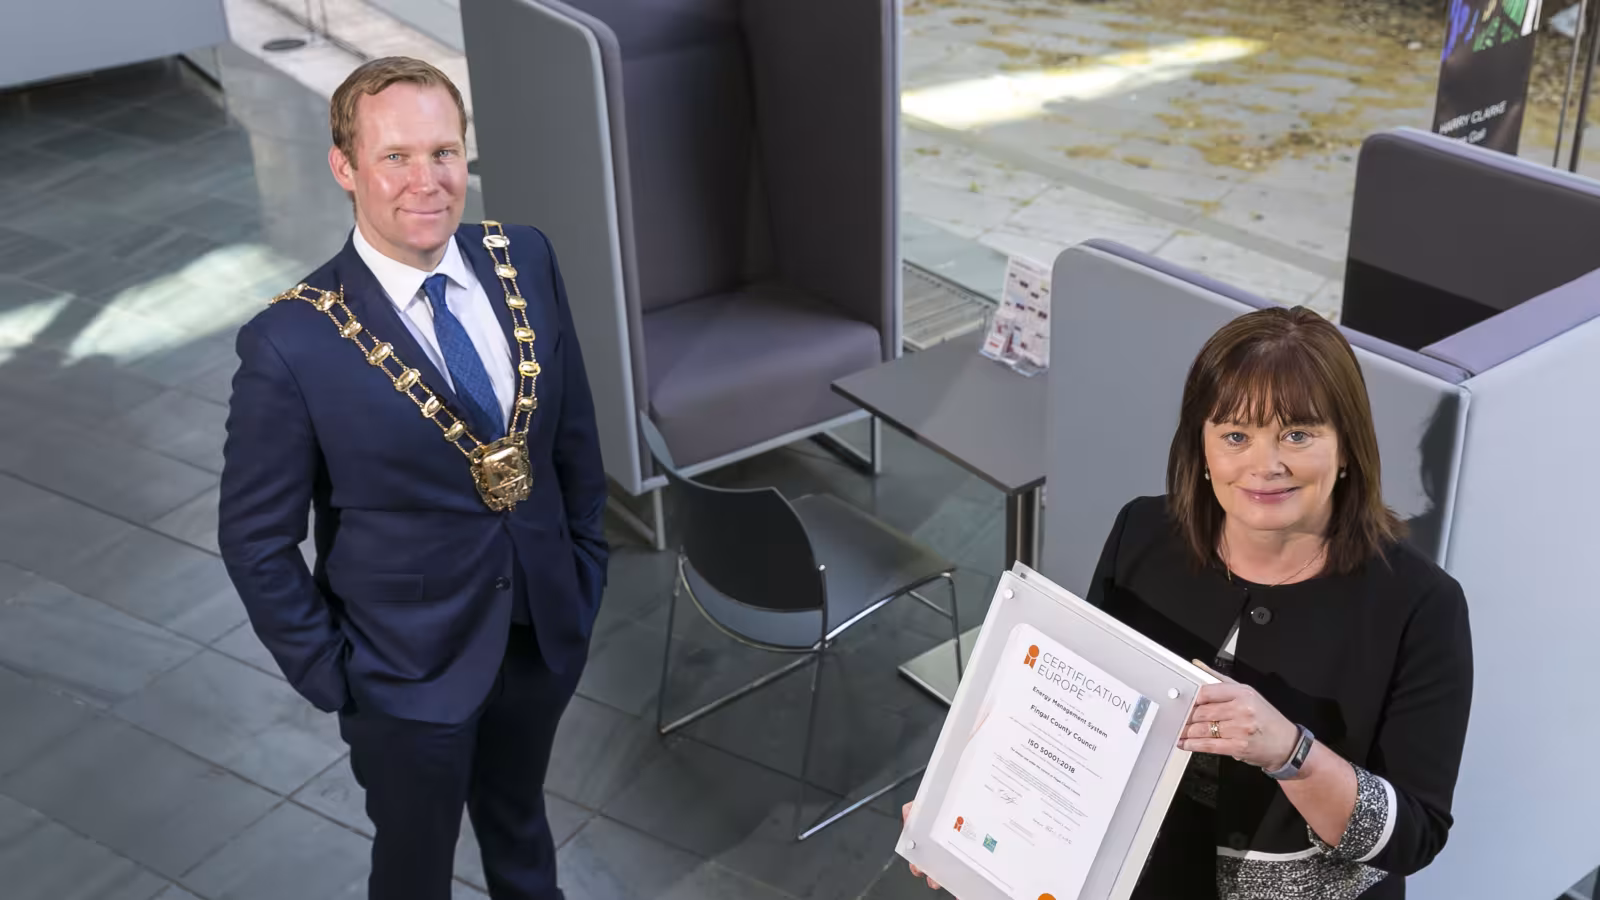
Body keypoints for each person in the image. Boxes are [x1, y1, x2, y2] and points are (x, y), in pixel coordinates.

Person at [904, 305, 1473, 898]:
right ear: (1202, 449)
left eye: (1298, 435)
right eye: (1235, 435)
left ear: (1348, 448)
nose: (1265, 464)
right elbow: (1073, 711)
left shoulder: (1421, 605)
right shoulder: (1144, 532)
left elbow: (1416, 836)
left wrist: (1290, 751)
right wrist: (963, 802)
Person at [218, 57, 608, 900]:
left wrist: (583, 563)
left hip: (539, 631)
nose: (426, 182)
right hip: (403, 674)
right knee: (413, 867)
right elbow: (255, 540)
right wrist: (338, 675)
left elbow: (571, 437)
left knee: (520, 822)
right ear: (345, 168)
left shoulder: (524, 259)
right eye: (396, 156)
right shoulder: (291, 341)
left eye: (444, 152)